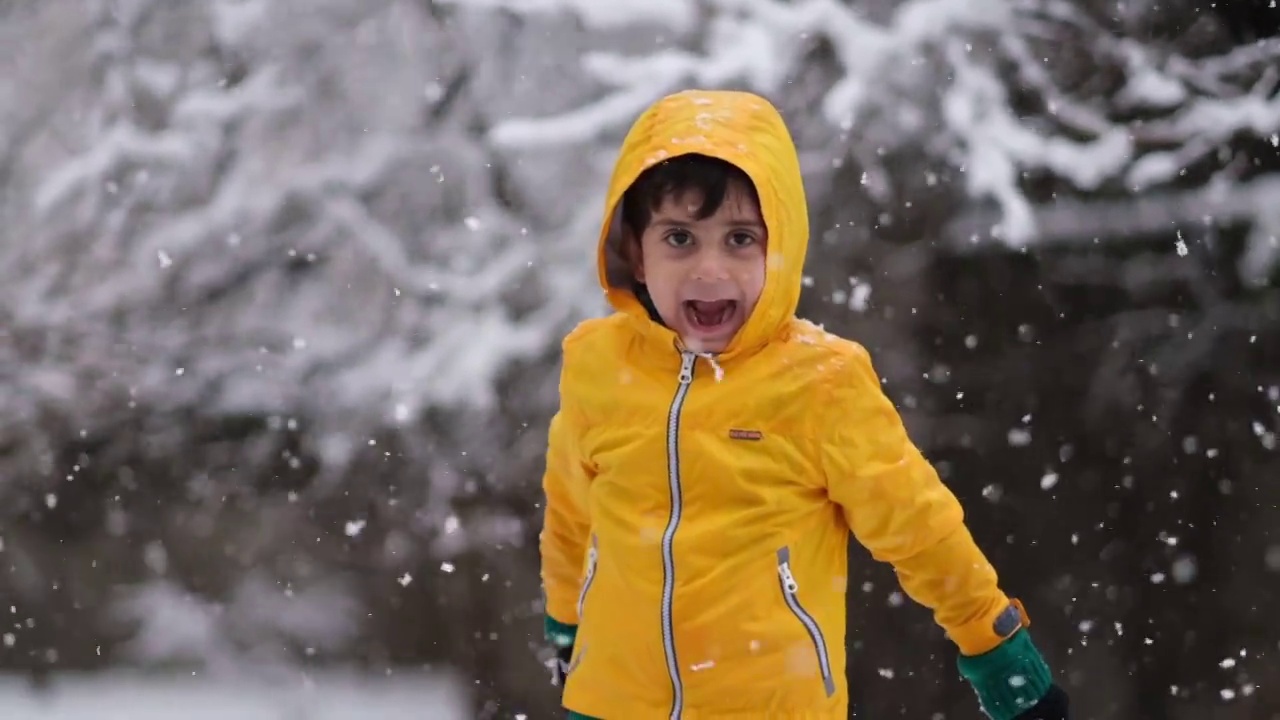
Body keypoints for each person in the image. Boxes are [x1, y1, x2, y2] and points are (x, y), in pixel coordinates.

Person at [538, 88, 1070, 720]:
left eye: (740, 238)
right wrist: (566, 621)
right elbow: (572, 518)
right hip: (611, 704)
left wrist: (994, 642)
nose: (709, 269)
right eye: (679, 237)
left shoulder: (820, 383)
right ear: (636, 253)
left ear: (780, 248)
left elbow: (918, 528)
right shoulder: (599, 367)